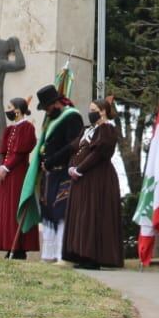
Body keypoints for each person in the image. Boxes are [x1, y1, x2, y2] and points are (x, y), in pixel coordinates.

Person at [63, 97, 124, 269]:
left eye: (93, 109)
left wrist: (80, 169)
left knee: (93, 214)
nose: (90, 112)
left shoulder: (107, 130)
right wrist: (71, 167)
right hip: (82, 179)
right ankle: (81, 254)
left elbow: (98, 154)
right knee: (82, 216)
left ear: (103, 111)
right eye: (89, 109)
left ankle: (93, 257)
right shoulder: (88, 130)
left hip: (98, 178)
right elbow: (76, 149)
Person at [34, 84, 84, 264]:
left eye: (47, 107)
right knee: (48, 215)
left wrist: (52, 160)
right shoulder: (51, 120)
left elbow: (72, 146)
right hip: (50, 175)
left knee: (61, 214)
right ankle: (48, 254)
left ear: (55, 103)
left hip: (64, 172)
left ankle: (63, 255)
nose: (46, 112)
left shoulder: (72, 117)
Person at [0, 97, 38, 258]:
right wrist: (2, 166)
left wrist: (7, 166)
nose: (8, 110)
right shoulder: (9, 130)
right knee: (6, 208)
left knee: (15, 208)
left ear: (17, 110)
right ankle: (8, 244)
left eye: (10, 107)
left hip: (18, 174)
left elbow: (20, 153)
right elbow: (5, 153)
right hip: (7, 175)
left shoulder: (27, 128)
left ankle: (19, 247)